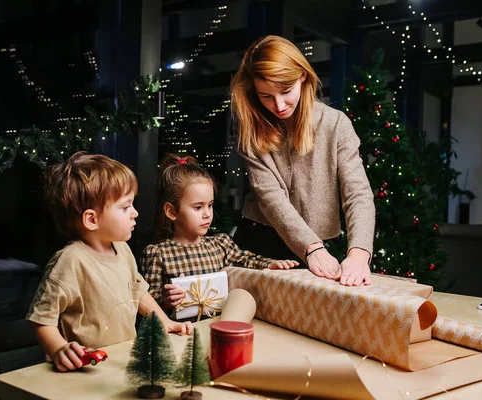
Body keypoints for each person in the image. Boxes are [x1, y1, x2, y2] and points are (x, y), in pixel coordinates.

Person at [229, 35, 376, 287]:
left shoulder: (336, 124)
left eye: (286, 91)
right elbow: (270, 196)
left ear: (303, 77)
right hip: (258, 242)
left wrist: (359, 253)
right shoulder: (250, 127)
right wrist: (311, 248)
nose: (278, 105)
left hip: (315, 247)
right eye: (265, 96)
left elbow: (358, 194)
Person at [27, 151, 192, 372]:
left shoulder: (122, 249)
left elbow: (138, 292)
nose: (134, 213)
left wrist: (165, 321)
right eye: (125, 207)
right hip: (85, 369)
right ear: (92, 219)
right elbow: (41, 319)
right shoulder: (71, 261)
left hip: (122, 360)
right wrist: (59, 349)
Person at [140, 153, 298, 315]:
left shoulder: (219, 244)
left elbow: (247, 259)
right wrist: (166, 301)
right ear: (172, 211)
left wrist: (270, 264)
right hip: (180, 333)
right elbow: (146, 305)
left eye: (210, 205)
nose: (207, 214)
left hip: (218, 326)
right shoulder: (158, 254)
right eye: (198, 207)